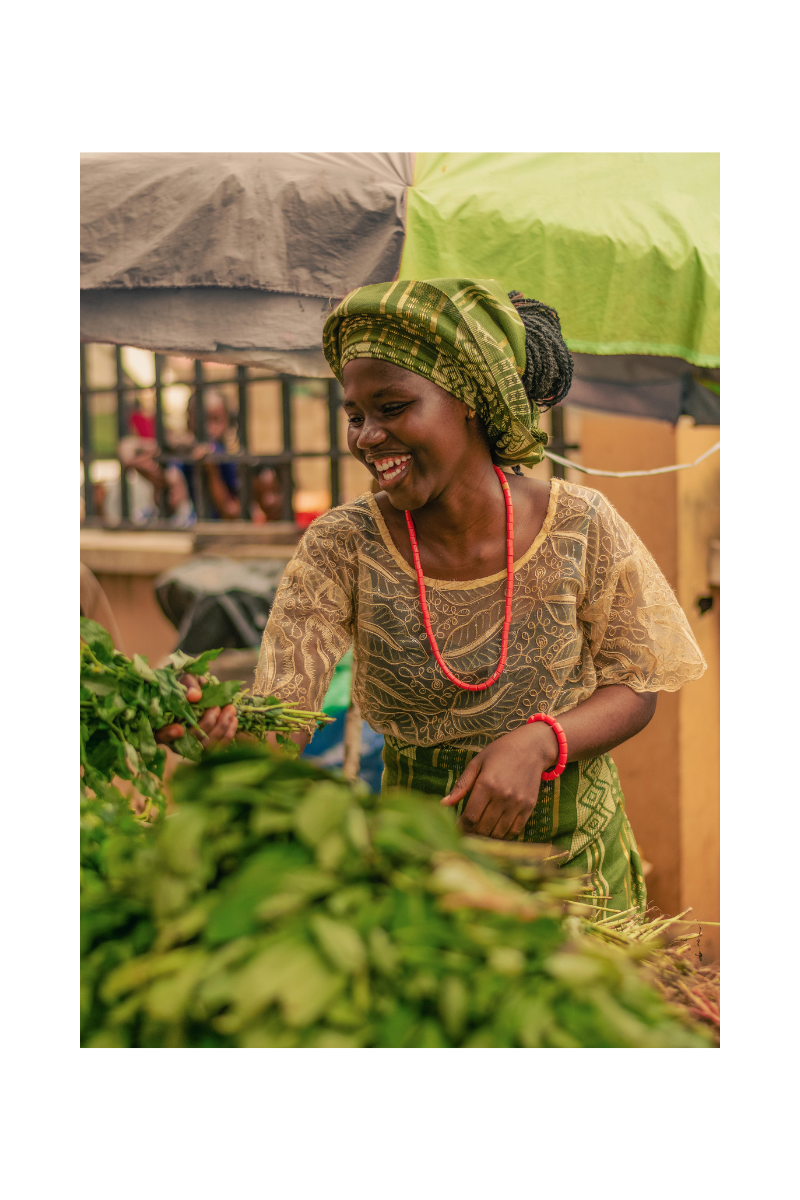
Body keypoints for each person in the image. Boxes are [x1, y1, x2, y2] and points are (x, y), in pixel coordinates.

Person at [163, 279, 706, 915]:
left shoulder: (580, 525)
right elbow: (284, 720)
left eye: (393, 407)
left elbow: (637, 685)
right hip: (422, 878)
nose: (367, 437)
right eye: (356, 415)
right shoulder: (343, 546)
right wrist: (227, 731)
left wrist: (540, 742)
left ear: (470, 398)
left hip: (577, 881)